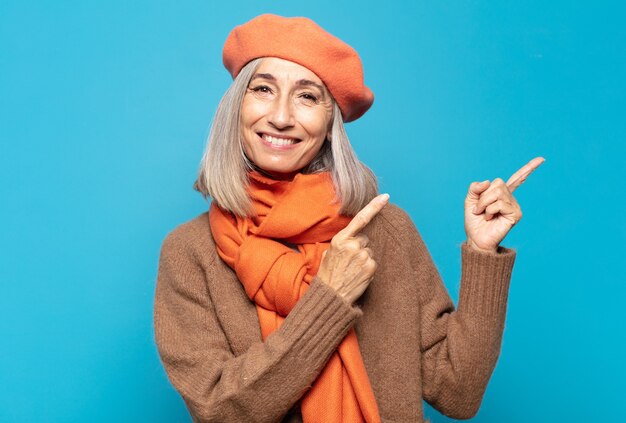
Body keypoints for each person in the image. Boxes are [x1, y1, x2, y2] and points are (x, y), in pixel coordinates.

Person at [153, 14, 544, 423]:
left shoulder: (387, 229)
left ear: (329, 124)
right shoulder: (189, 253)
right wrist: (330, 298)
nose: (282, 116)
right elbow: (219, 411)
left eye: (307, 97)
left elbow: (458, 393)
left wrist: (483, 253)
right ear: (236, 107)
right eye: (264, 89)